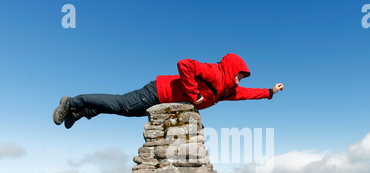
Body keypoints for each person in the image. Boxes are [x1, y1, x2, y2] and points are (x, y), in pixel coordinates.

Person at [53, 53, 284, 129]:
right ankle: (73, 101)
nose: (241, 77)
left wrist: (269, 92)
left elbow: (247, 94)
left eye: (243, 76)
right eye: (241, 73)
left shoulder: (226, 90)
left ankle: (82, 112)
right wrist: (194, 95)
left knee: (123, 111)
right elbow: (184, 64)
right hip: (158, 92)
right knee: (123, 104)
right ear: (232, 67)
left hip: (162, 100)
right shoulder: (214, 73)